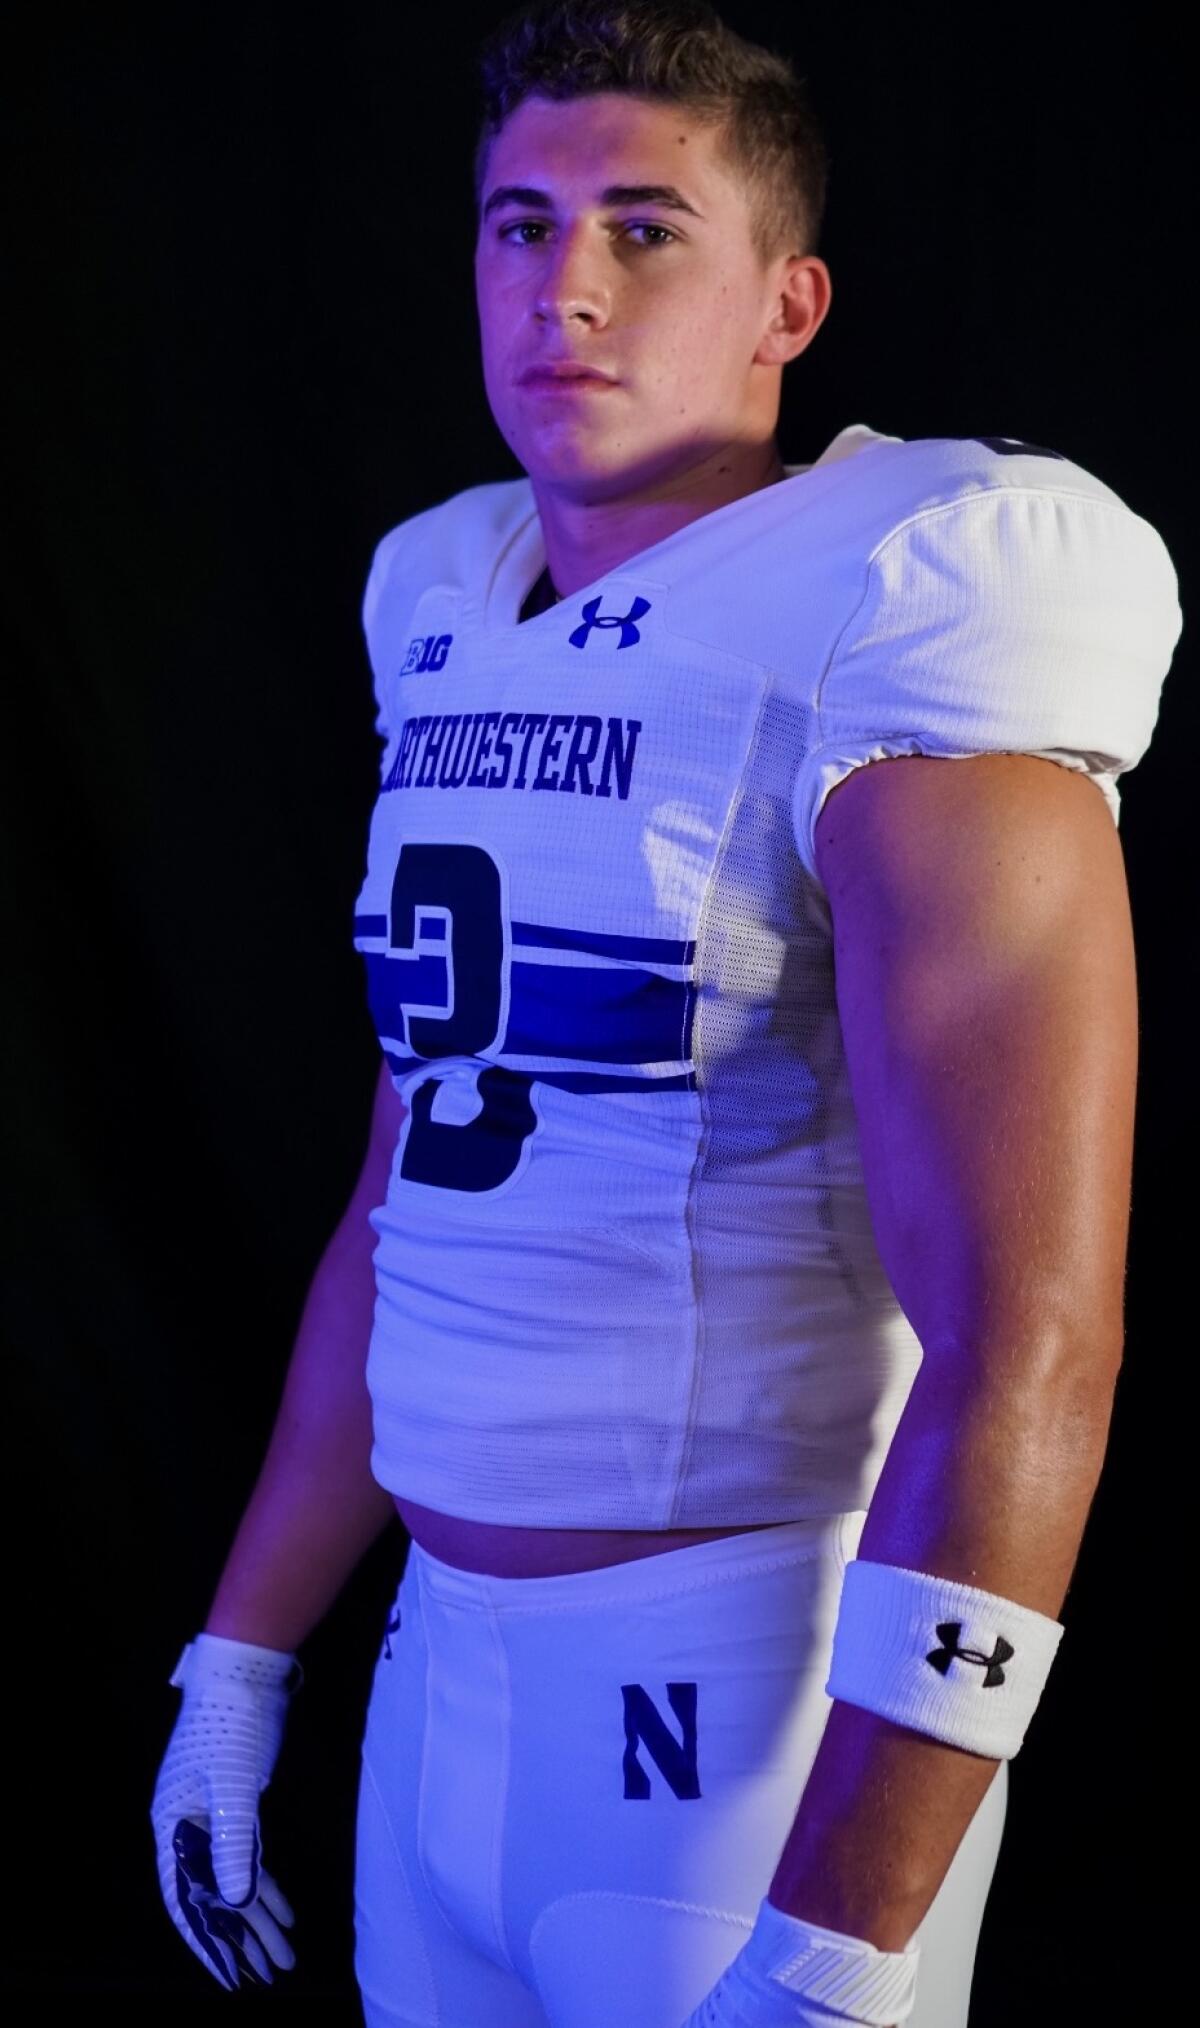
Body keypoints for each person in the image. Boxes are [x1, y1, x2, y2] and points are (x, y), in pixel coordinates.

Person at [150, 3, 1183, 2024]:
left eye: (645, 228)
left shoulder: (910, 579)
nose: (566, 287)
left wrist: (847, 1935)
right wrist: (241, 1654)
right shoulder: (443, 591)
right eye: (519, 225)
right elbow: (407, 1199)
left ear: (788, 301)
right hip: (435, 1678)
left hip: (736, 1708)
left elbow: (1034, 1328)